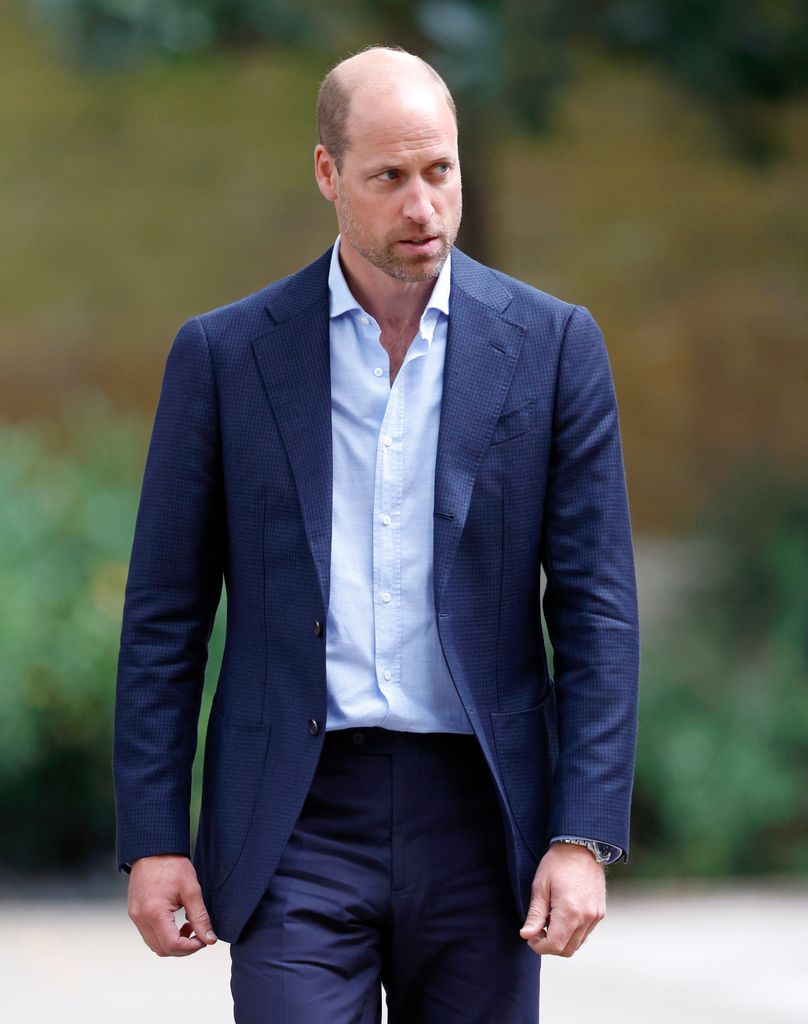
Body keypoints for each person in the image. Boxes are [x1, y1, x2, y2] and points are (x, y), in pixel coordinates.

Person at [114, 45, 639, 1023]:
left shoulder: (553, 347)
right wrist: (154, 837)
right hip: (296, 817)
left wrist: (582, 835)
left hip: (480, 815)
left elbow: (597, 611)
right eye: (388, 177)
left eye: (439, 170)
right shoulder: (226, 358)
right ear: (327, 174)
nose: (421, 207)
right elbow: (164, 618)